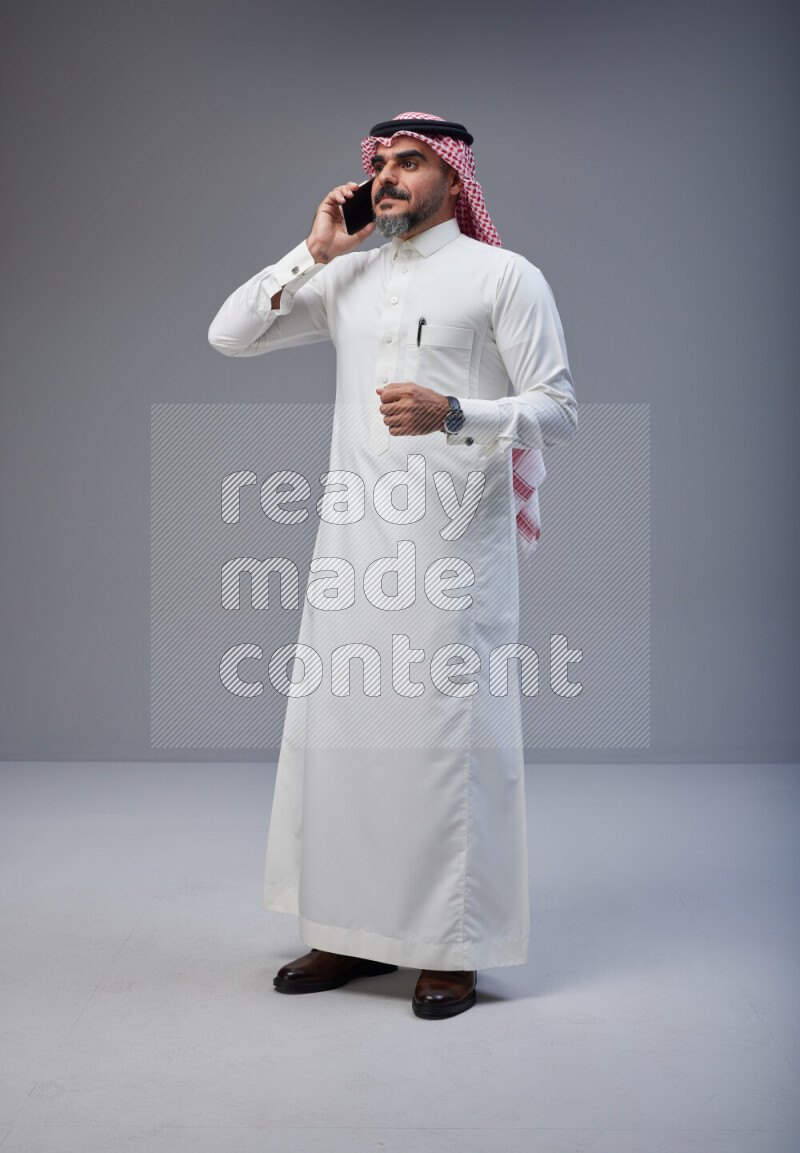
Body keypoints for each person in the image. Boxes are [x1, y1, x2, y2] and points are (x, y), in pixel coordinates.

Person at [208, 112, 578, 1019]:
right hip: (351, 549)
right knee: (343, 742)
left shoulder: (504, 276)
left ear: (455, 178)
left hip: (454, 550)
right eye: (378, 163)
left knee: (443, 745)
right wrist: (311, 251)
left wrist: (458, 412)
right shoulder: (349, 277)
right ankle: (346, 930)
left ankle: (451, 947)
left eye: (409, 162)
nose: (388, 177)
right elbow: (230, 335)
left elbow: (560, 408)